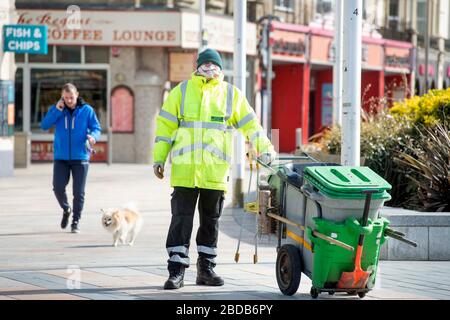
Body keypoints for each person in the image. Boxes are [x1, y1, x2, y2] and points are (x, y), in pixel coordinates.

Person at [153, 48, 275, 290]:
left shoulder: (231, 94)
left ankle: (206, 269)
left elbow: (251, 125)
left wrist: (266, 150)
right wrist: (159, 159)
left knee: (210, 222)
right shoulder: (182, 92)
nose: (209, 68)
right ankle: (176, 270)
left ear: (220, 69)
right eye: (205, 64)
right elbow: (165, 128)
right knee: (181, 221)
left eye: (214, 64)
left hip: (215, 173)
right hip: (185, 171)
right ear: (197, 67)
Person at [41, 83, 101, 233]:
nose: (68, 100)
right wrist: (56, 110)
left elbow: (96, 128)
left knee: (78, 192)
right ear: (62, 97)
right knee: (58, 187)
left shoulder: (87, 110)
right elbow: (44, 125)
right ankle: (66, 209)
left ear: (77, 95)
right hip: (61, 157)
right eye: (65, 97)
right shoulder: (58, 110)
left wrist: (93, 137)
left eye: (71, 97)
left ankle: (76, 221)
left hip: (81, 157)